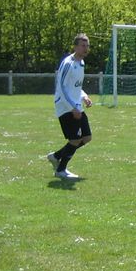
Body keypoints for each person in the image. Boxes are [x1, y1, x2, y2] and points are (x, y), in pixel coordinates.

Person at [47, 33, 93, 179]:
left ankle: (56, 156)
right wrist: (72, 107)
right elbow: (61, 87)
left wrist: (84, 96)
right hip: (65, 107)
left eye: (87, 45)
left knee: (86, 138)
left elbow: (75, 87)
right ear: (75, 46)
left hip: (76, 106)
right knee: (74, 140)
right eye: (82, 45)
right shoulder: (68, 63)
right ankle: (61, 170)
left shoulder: (81, 63)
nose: (85, 48)